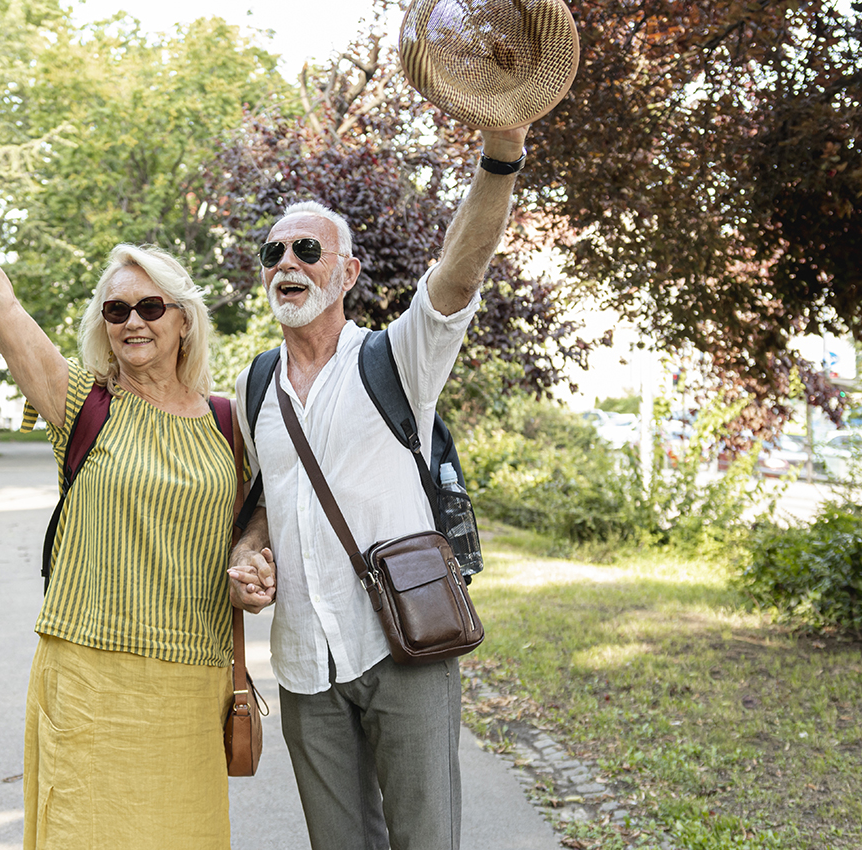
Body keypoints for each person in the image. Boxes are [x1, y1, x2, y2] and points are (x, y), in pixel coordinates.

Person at [0, 141, 258, 850]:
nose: (132, 321)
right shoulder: (79, 403)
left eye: (150, 305)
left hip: (194, 681)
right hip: (89, 678)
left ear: (184, 319)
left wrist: (254, 562)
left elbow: (257, 521)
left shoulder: (230, 421)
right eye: (116, 309)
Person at [227, 124, 531, 849]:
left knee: (424, 840)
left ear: (349, 272)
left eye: (307, 249)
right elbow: (270, 498)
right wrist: (247, 555)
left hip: (405, 647)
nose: (287, 263)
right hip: (304, 660)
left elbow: (459, 272)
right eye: (273, 253)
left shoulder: (398, 359)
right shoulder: (254, 384)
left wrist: (502, 154)